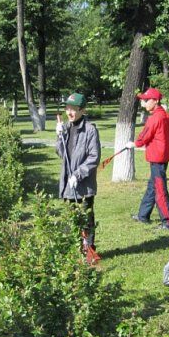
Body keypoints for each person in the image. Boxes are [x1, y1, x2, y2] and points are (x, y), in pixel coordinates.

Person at [55, 92, 101, 258]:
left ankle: (89, 249)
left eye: (74, 109)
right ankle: (74, 249)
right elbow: (61, 153)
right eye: (68, 108)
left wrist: (78, 174)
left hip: (84, 183)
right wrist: (59, 136)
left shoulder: (90, 130)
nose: (70, 112)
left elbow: (94, 157)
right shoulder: (66, 127)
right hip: (68, 182)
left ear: (82, 110)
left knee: (86, 216)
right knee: (71, 216)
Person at [131, 87, 169, 229]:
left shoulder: (155, 118)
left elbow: (145, 135)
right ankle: (143, 215)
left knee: (159, 189)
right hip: (163, 156)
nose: (143, 104)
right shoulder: (167, 116)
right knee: (153, 186)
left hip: (157, 157)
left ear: (156, 101)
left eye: (146, 100)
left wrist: (134, 143)